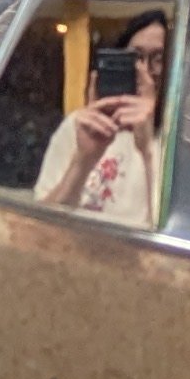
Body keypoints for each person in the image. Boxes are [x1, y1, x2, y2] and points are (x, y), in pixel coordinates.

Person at [32, 12, 168, 223]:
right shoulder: (80, 126)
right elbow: (40, 224)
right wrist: (84, 159)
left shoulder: (178, 143)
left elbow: (170, 234)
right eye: (135, 57)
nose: (145, 70)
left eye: (159, 59)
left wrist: (148, 150)